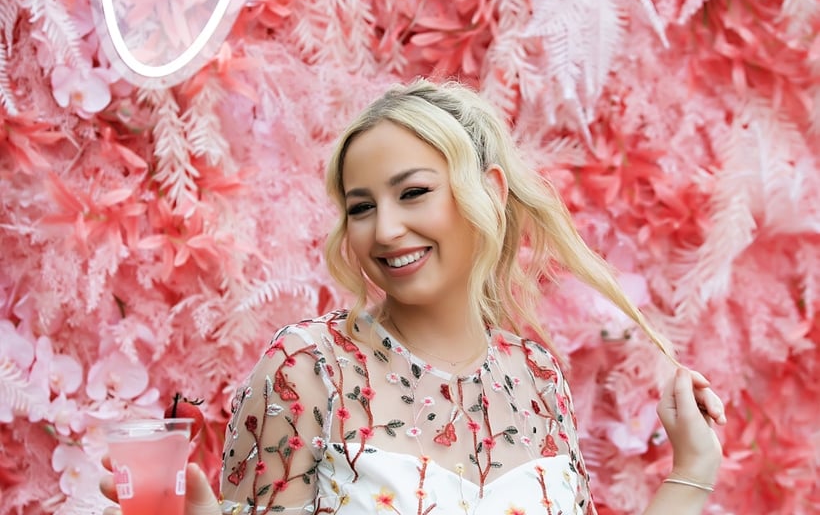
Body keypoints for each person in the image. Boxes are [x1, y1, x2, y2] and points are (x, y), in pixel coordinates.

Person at [101, 79, 725, 514]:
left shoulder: (537, 379)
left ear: (491, 193)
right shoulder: (310, 370)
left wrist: (693, 467)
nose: (386, 229)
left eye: (414, 192)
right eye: (362, 207)